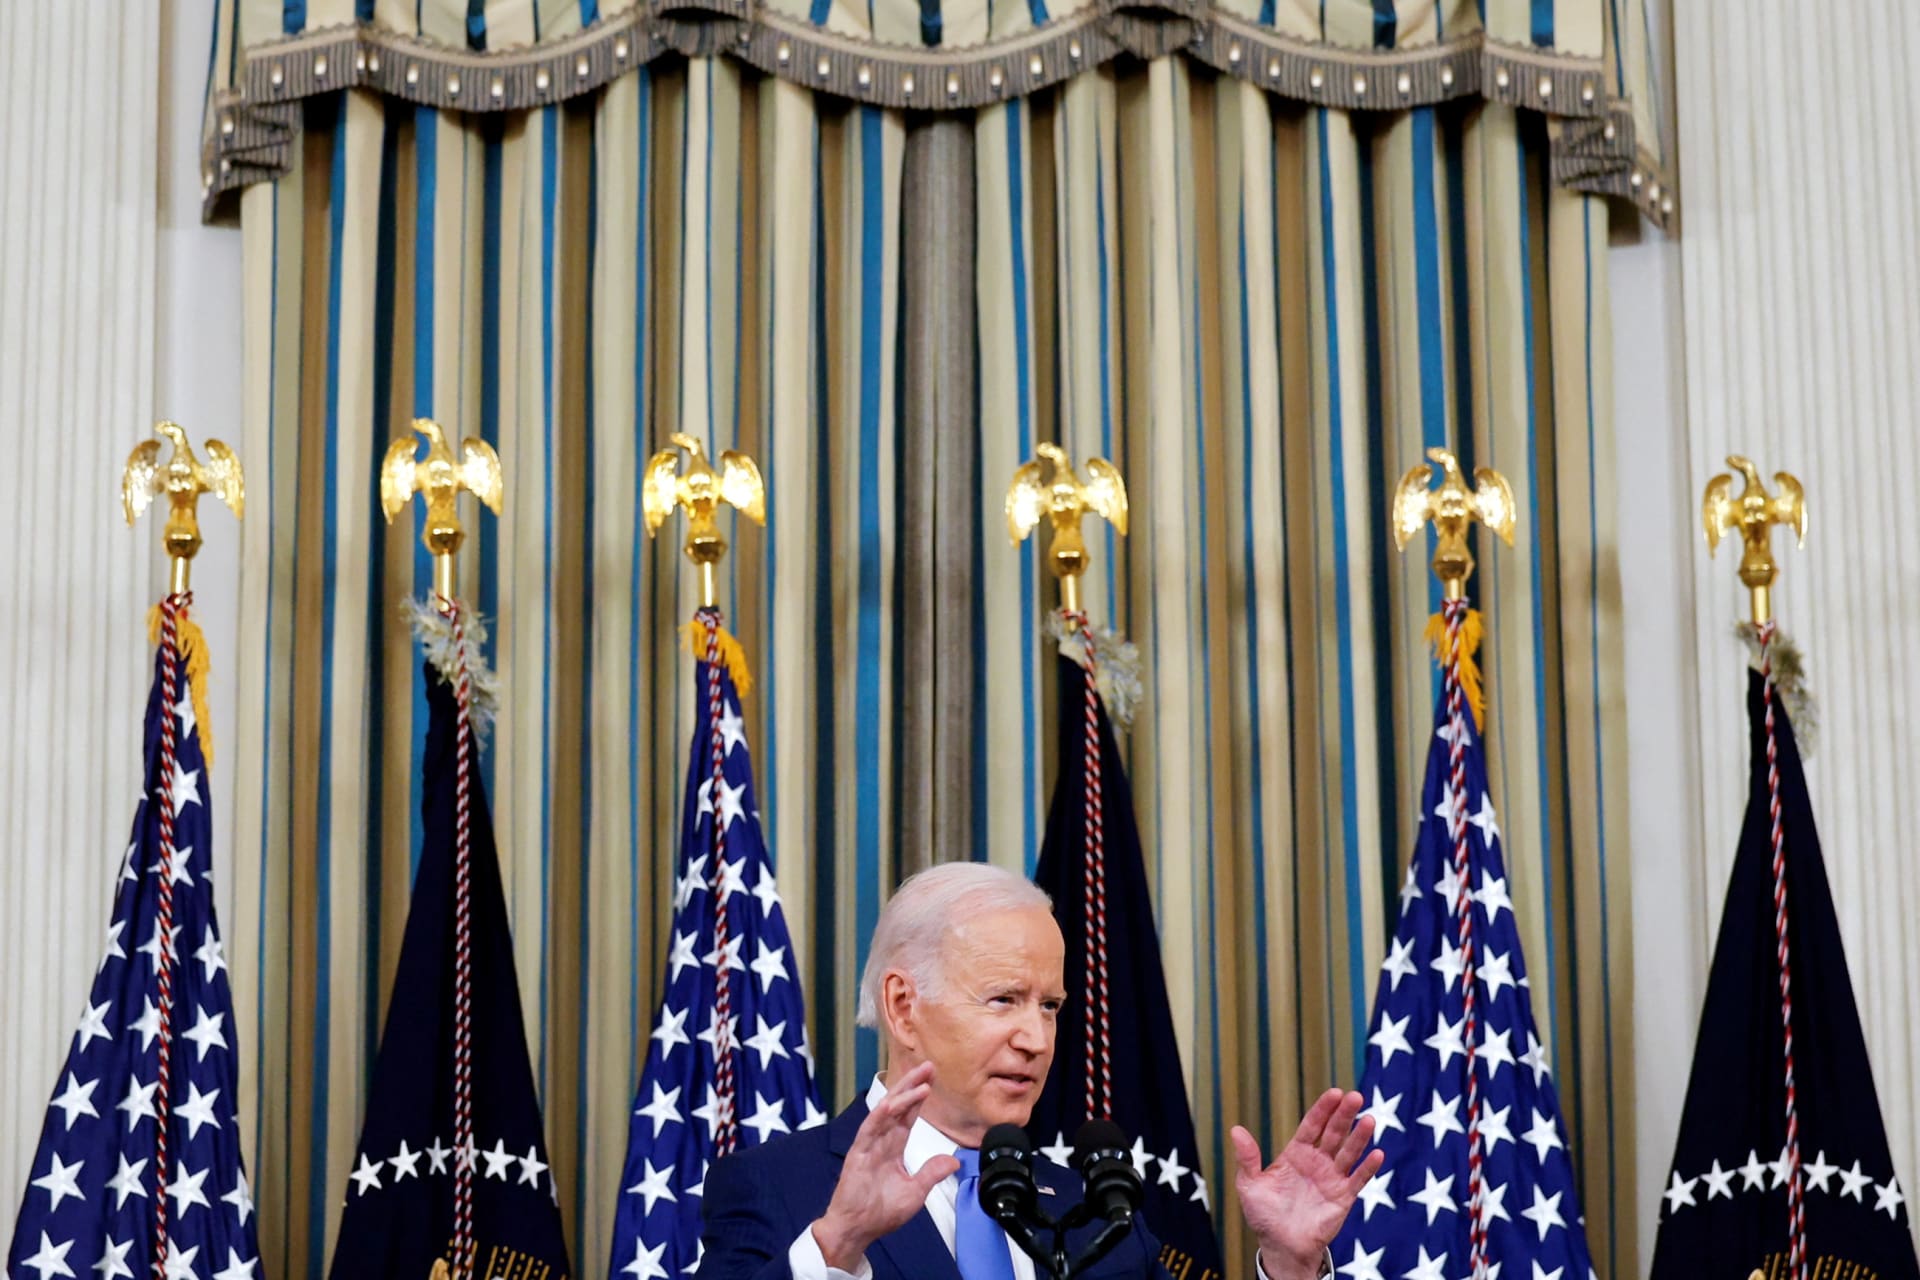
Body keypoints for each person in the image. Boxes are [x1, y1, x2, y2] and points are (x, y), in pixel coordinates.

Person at [698, 863, 1382, 1280]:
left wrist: (1290, 1267)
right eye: (1004, 1000)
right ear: (904, 1007)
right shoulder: (777, 1186)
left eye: (1050, 1005)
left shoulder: (1095, 1211)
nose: (1037, 1038)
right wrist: (838, 1246)